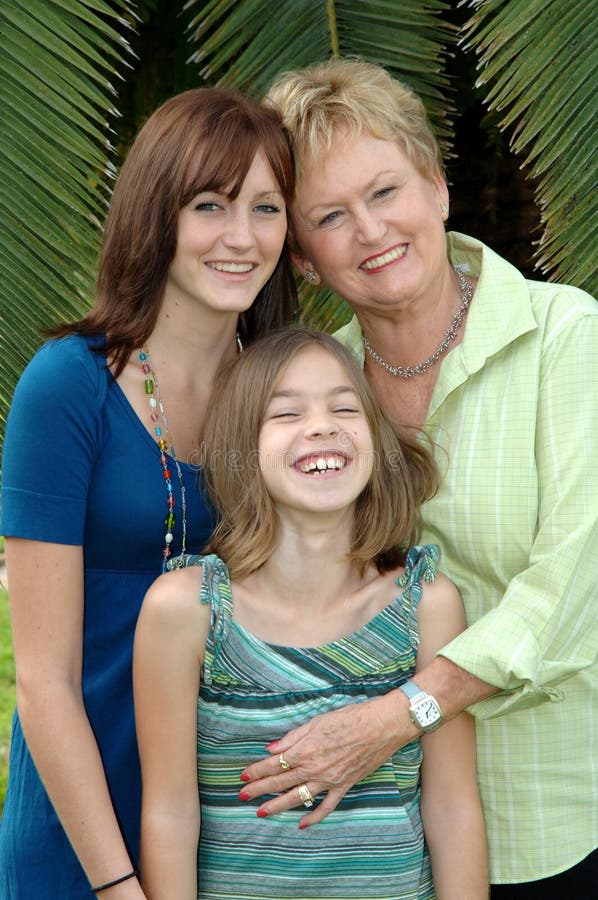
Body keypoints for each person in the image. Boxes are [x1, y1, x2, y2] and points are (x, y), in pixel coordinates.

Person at [231, 59, 598, 897]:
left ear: (436, 189)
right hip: (373, 842)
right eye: (331, 215)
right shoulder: (324, 399)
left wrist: (393, 719)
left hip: (551, 825)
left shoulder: (568, 338)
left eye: (386, 191)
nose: (369, 230)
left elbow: (576, 588)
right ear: (305, 259)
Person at [0, 87, 297, 898]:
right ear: (155, 213)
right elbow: (43, 682)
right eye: (211, 205)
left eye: (266, 208)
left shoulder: (288, 393)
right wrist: (117, 885)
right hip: (86, 826)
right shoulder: (68, 387)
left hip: (243, 826)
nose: (242, 237)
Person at [133, 327, 488, 899]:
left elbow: (452, 808)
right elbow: (171, 813)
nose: (321, 425)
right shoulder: (188, 609)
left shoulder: (426, 604)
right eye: (286, 413)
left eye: (345, 407)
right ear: (242, 449)